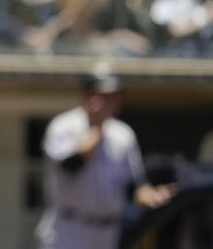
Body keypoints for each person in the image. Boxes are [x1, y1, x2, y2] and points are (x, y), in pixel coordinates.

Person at [35, 70, 174, 249]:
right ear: (88, 95)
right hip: (69, 228)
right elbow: (71, 165)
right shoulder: (64, 125)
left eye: (115, 95)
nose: (112, 101)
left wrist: (149, 196)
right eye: (105, 95)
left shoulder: (123, 134)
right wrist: (98, 126)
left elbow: (136, 183)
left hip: (108, 231)